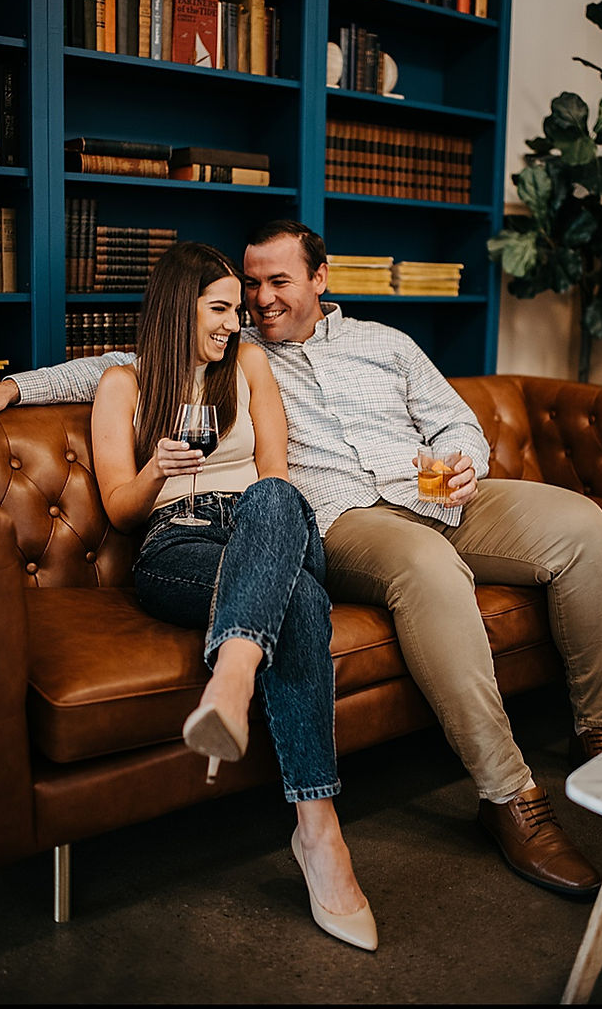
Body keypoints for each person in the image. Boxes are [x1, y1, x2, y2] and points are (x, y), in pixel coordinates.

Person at [0, 220, 602, 899]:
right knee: (419, 565)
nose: (260, 300)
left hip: (429, 489)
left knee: (581, 525)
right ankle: (507, 794)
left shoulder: (386, 343)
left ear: (320, 278)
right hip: (347, 516)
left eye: (277, 282)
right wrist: (11, 389)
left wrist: (464, 463)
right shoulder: (241, 345)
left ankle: (601, 729)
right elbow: (129, 363)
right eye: (250, 285)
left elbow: (453, 419)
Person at [91, 241, 375, 950]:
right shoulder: (122, 385)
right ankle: (319, 834)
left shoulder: (247, 366)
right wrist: (156, 469)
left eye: (235, 310)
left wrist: (260, 515)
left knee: (274, 494)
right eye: (220, 308)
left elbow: (275, 473)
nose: (234, 322)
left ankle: (233, 674)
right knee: (300, 603)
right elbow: (122, 511)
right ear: (177, 308)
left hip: (264, 526)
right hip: (177, 541)